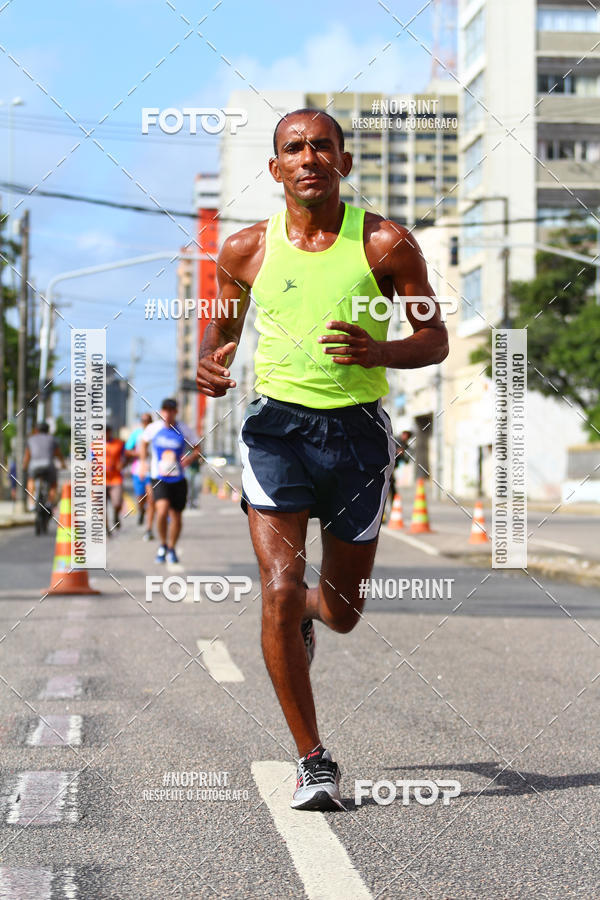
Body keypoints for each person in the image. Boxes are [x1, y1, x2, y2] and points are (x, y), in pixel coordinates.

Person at [196, 108, 448, 811]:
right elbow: (219, 336)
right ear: (276, 167)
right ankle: (313, 760)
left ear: (344, 160)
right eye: (293, 148)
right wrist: (210, 370)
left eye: (322, 147)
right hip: (275, 431)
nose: (309, 157)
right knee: (279, 587)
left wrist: (381, 351)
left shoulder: (387, 245)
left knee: (341, 612)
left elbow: (435, 342)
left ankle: (312, 612)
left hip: (358, 436)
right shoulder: (244, 250)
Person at [139, 398, 201, 565]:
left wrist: (188, 459)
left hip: (178, 479)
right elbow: (143, 443)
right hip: (159, 478)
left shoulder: (184, 429)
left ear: (176, 412)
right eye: (165, 410)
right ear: (161, 412)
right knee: (162, 511)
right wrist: (143, 463)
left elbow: (197, 447)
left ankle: (171, 547)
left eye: (171, 410)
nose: (167, 414)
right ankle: (162, 544)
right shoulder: (154, 429)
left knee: (177, 517)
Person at [125, 412, 155, 539]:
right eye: (143, 420)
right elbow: (127, 450)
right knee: (140, 498)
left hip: (153, 470)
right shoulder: (136, 434)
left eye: (148, 420)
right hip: (138, 470)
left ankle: (149, 529)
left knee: (151, 499)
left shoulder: (155, 433)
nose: (145, 423)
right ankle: (141, 511)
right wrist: (139, 454)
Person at [23, 422, 65, 510]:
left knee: (31, 480)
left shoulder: (31, 439)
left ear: (36, 430)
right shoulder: (52, 439)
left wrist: (25, 466)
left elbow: (27, 456)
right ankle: (50, 502)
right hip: (48, 464)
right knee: (53, 483)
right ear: (48, 430)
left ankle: (31, 503)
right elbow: (58, 454)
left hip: (34, 465)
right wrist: (63, 464)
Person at [105, 425, 125, 532]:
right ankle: (107, 527)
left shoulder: (119, 444)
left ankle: (116, 515)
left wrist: (122, 464)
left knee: (117, 503)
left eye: (107, 431)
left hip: (116, 479)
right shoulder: (95, 445)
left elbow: (126, 456)